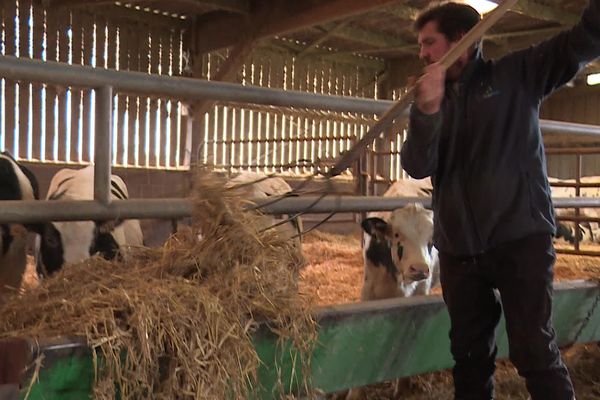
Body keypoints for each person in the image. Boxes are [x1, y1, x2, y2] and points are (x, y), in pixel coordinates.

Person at [401, 1, 600, 399]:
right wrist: (426, 112)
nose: (422, 53)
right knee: (469, 359)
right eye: (421, 45)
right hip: (459, 250)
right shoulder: (431, 101)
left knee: (533, 352)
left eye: (429, 42)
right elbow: (418, 165)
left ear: (461, 40)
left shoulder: (516, 75)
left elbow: (582, 43)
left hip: (519, 239)